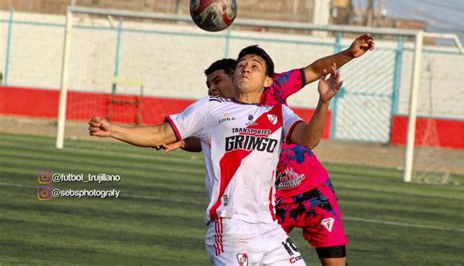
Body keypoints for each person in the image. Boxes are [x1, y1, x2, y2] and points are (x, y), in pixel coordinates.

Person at [89, 45, 343, 265]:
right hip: (229, 226)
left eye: (254, 65)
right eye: (242, 64)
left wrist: (324, 102)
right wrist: (114, 129)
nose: (246, 68)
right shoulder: (210, 109)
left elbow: (309, 139)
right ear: (234, 78)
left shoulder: (278, 113)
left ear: (268, 81)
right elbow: (160, 133)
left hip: (269, 228)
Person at [161, 34, 375, 266]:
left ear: (235, 76)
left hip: (312, 189)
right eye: (209, 85)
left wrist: (349, 54)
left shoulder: (274, 87)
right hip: (271, 201)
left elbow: (313, 70)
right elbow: (216, 140)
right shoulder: (218, 110)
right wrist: (183, 141)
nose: (212, 89)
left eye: (217, 81)